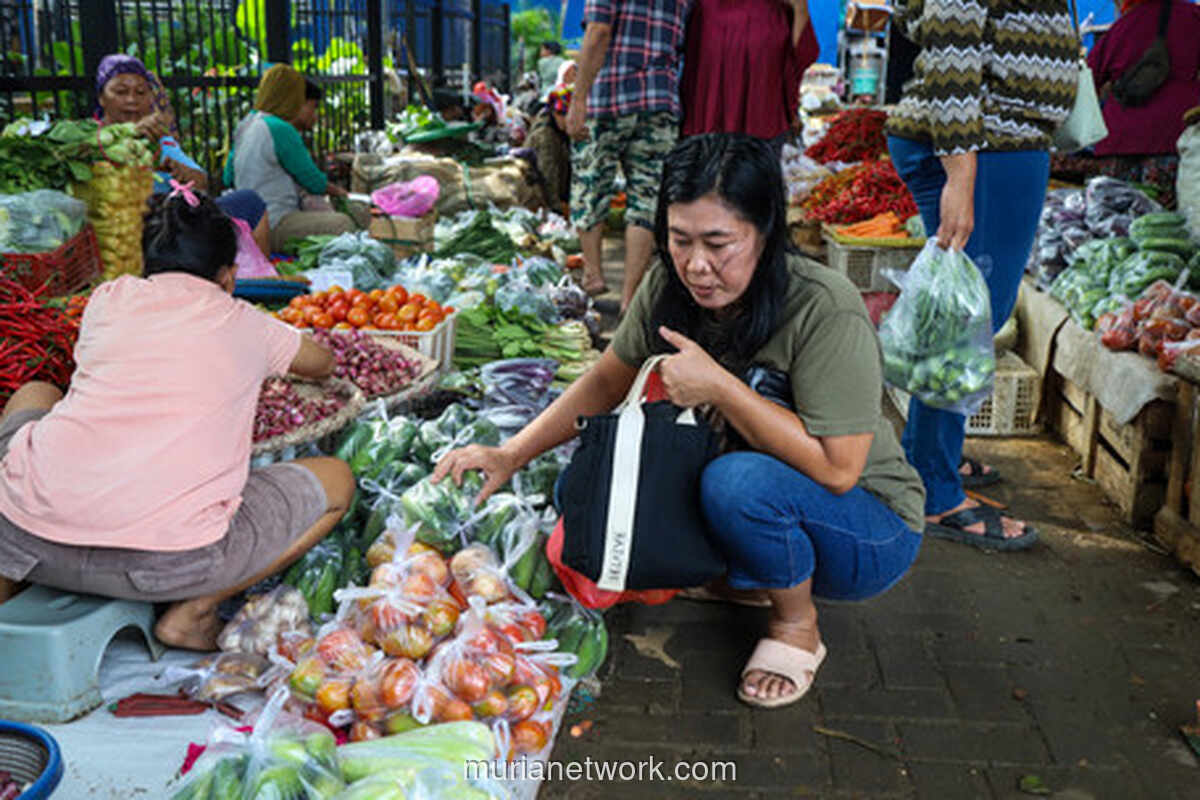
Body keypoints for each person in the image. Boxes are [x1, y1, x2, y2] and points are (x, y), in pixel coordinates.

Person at [433, 134, 925, 708]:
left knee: (736, 484)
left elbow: (839, 470)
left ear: (765, 233)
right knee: (581, 490)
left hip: (866, 528)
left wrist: (723, 388)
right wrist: (509, 454)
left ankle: (797, 625)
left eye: (719, 244)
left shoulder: (823, 306)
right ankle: (746, 578)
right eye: (680, 240)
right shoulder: (669, 284)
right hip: (771, 495)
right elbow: (606, 381)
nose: (697, 264)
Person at [0, 189, 355, 650]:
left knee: (35, 393)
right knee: (337, 481)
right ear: (228, 277)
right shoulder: (247, 322)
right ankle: (197, 609)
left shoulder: (106, 300)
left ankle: (9, 586)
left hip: (24, 535)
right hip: (169, 565)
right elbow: (322, 363)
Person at [886, 0, 1078, 549]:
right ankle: (935, 491)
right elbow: (951, 38)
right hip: (987, 143)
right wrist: (961, 173)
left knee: (961, 312)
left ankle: (928, 456)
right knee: (965, 320)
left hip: (991, 140)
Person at [566, 0, 692, 310]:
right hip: (659, 100)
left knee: (591, 186)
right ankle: (630, 298)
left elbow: (598, 32)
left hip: (608, 96)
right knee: (647, 199)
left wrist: (578, 99)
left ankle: (593, 276)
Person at [94, 54, 271, 256]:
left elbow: (202, 183)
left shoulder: (159, 137)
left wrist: (180, 170)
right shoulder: (91, 140)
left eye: (141, 92)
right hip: (135, 230)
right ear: (101, 97)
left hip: (180, 221)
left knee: (249, 202)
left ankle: (258, 280)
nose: (132, 100)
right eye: (121, 92)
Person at [1073, 0, 1200, 207]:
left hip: (1117, 141)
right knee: (1163, 225)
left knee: (1112, 220)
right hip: (1171, 140)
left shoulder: (1122, 26)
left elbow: (1087, 78)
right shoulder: (1193, 18)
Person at [224, 64, 360, 252]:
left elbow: (227, 177)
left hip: (247, 228)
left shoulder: (246, 124)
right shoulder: (280, 128)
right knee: (342, 224)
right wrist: (341, 193)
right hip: (275, 223)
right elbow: (314, 182)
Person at [680, 0, 819, 153]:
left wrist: (800, 10)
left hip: (759, 127)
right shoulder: (702, 8)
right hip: (710, 128)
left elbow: (801, 54)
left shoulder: (778, 9)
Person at [528, 85, 574, 216]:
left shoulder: (562, 132)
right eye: (561, 114)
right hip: (540, 198)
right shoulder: (545, 136)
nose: (565, 119)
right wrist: (558, 208)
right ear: (553, 113)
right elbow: (548, 175)